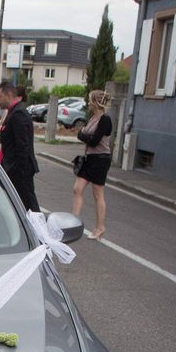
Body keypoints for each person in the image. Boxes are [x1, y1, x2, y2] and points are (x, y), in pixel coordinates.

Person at [72, 90, 113, 240]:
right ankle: (73, 222)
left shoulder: (105, 120)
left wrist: (83, 135)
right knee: (77, 189)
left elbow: (94, 140)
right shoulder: (92, 118)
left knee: (97, 194)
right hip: (89, 158)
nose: (88, 102)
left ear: (96, 102)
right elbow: (82, 135)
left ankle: (100, 227)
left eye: (90, 100)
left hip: (101, 160)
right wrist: (83, 135)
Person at [0, 81, 40, 212]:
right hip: (11, 170)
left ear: (8, 95)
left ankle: (38, 232)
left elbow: (23, 147)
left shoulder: (19, 114)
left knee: (30, 209)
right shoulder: (12, 112)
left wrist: (15, 172)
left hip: (20, 173)